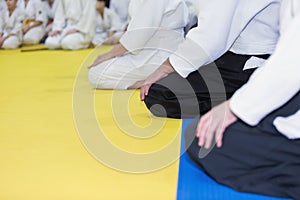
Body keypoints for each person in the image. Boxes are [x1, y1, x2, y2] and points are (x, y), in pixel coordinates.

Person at [184, 1, 300, 199]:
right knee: (203, 136)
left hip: (248, 61)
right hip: (257, 66)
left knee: (206, 141)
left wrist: (234, 108)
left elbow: (291, 61)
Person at [140, 0, 280, 119]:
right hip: (230, 52)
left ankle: (245, 99)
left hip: (253, 58)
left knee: (161, 95)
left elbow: (212, 36)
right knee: (162, 89)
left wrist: (167, 66)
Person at [88, 0, 196, 90]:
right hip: (166, 51)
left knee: (96, 74)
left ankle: (144, 83)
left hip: (157, 56)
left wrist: (109, 54)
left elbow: (138, 36)